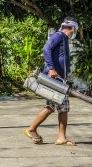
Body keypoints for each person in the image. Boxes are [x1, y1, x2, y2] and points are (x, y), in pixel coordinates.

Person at [23, 17, 79, 146]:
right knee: (54, 107)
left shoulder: (63, 39)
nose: (74, 33)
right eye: (75, 30)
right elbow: (46, 49)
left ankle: (60, 137)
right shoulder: (58, 36)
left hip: (59, 80)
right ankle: (32, 129)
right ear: (72, 28)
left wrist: (65, 77)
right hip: (53, 79)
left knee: (60, 107)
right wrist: (51, 68)